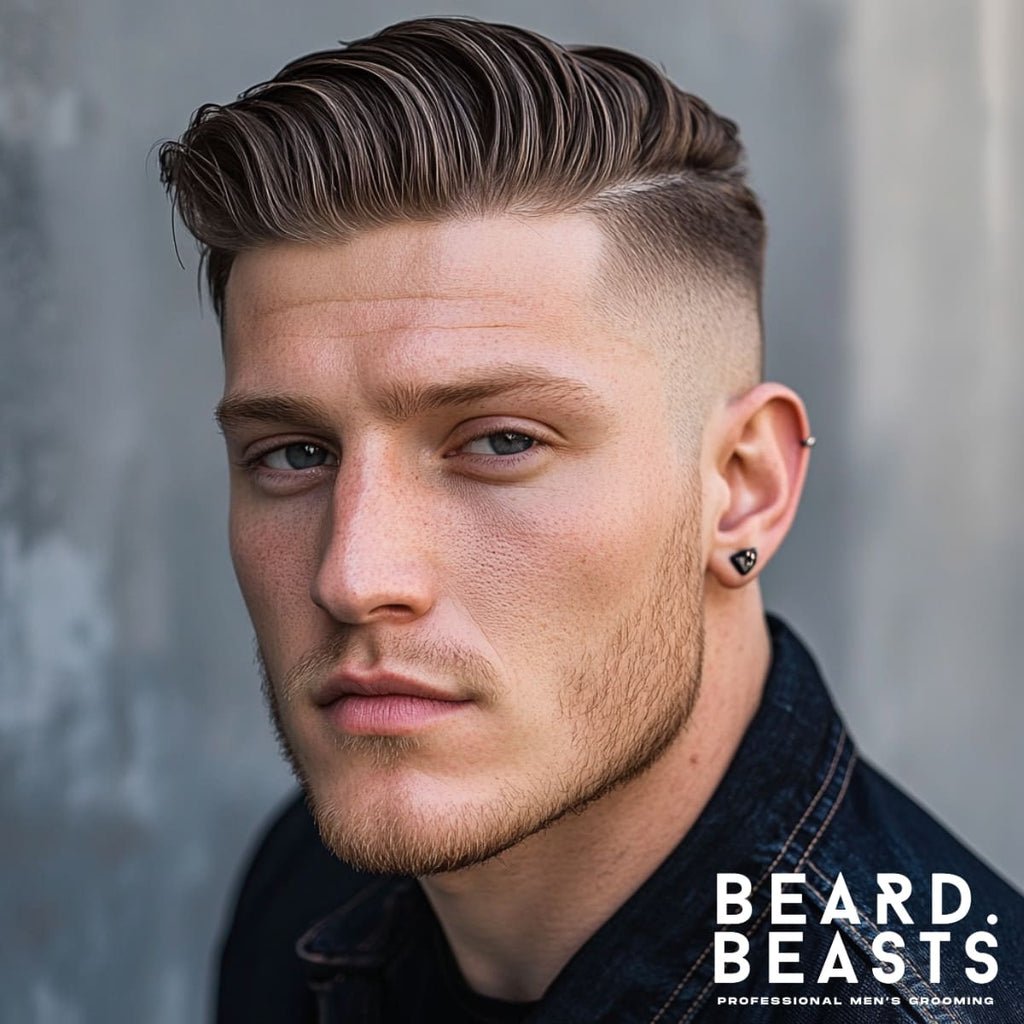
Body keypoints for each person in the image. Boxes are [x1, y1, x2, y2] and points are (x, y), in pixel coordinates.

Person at [159, 17, 1024, 1023]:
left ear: (743, 487)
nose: (354, 576)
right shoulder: (311, 880)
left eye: (499, 442)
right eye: (295, 454)